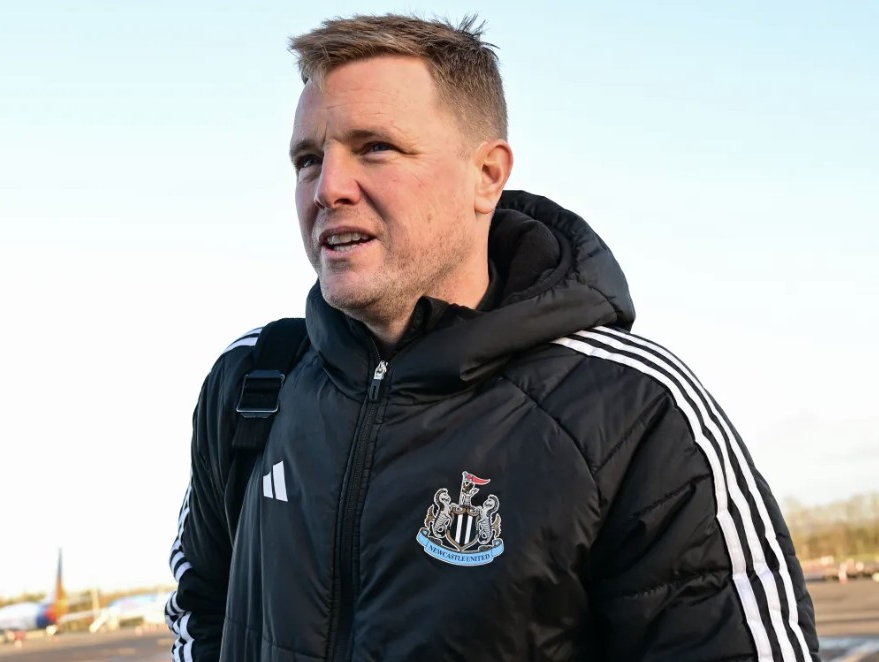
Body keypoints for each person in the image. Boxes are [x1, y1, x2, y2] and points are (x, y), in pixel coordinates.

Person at [165, 14, 820, 661]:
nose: (327, 188)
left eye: (376, 148)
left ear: (486, 176)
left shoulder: (631, 411)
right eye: (308, 159)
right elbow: (200, 611)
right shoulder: (255, 383)